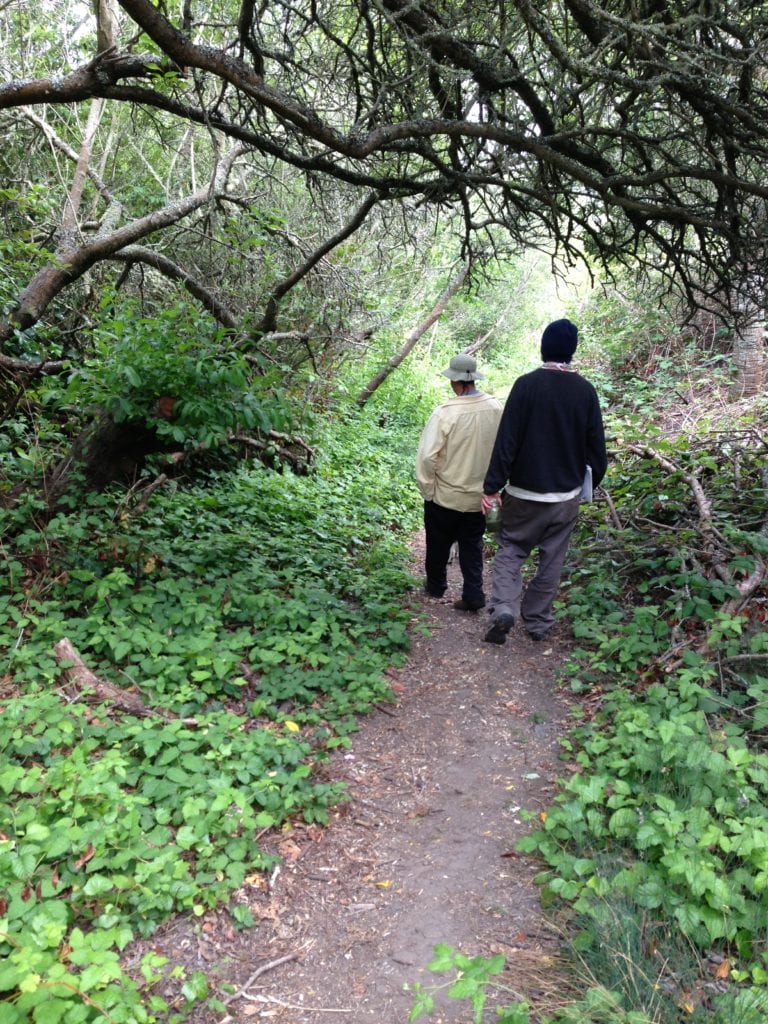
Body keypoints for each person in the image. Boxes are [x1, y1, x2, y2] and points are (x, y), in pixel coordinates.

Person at [481, 318, 607, 644]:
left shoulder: (526, 386)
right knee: (553, 558)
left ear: (543, 348)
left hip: (523, 493)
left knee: (510, 549)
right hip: (564, 497)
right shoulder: (585, 391)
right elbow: (597, 451)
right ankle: (537, 623)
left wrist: (492, 487)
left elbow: (506, 441)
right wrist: (588, 486)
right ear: (572, 352)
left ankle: (504, 608)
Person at [415, 353, 503, 611]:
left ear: (457, 382)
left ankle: (436, 586)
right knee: (472, 546)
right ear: (473, 379)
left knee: (438, 542)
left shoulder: (445, 413)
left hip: (446, 495)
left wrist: (428, 490)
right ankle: (474, 593)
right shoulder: (496, 409)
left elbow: (427, 457)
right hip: (480, 497)